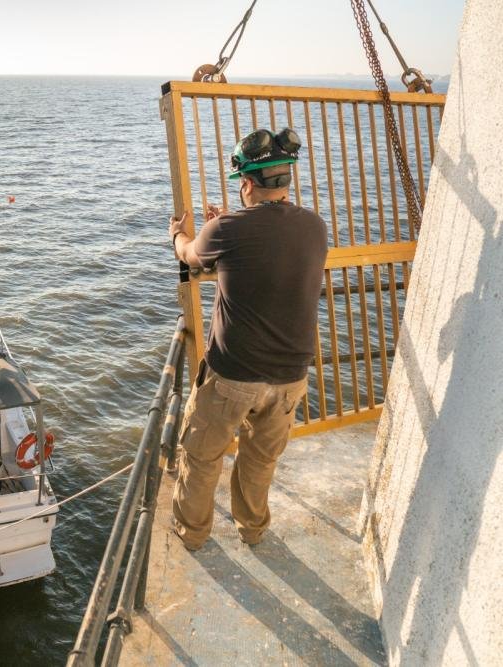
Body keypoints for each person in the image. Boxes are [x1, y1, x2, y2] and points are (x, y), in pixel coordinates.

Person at [167, 127, 327, 550]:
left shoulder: (229, 229)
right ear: (287, 178)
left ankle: (192, 535)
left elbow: (191, 254)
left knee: (201, 458)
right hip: (291, 378)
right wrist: (224, 227)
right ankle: (252, 530)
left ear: (248, 183)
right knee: (259, 463)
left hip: (233, 376)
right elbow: (266, 256)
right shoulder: (315, 226)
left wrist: (179, 233)